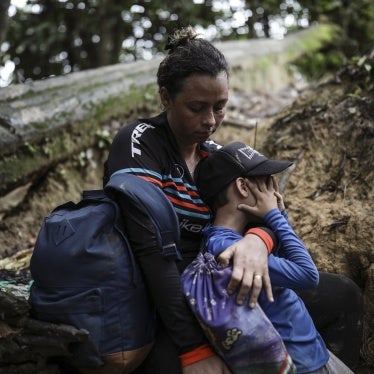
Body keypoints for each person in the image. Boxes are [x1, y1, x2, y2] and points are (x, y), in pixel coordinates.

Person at [103, 26, 363, 373]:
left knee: (342, 295)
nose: (210, 121)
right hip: (166, 299)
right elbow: (150, 249)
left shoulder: (217, 157)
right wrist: (194, 348)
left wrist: (258, 240)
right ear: (166, 97)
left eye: (220, 107)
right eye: (196, 108)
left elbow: (265, 207)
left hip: (229, 290)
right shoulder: (141, 143)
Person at [189, 141, 354, 373]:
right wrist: (277, 216)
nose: (274, 190)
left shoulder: (224, 237)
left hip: (311, 353)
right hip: (302, 363)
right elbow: (307, 275)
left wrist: (276, 217)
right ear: (243, 187)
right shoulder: (230, 249)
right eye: (266, 181)